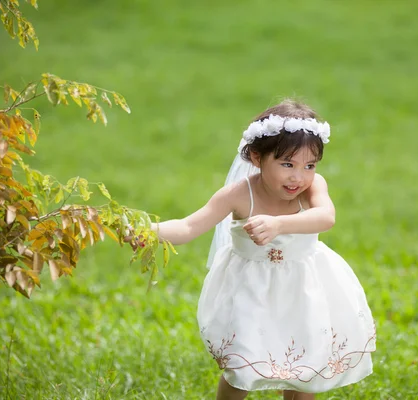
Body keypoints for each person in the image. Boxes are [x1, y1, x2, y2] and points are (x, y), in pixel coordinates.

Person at [151, 100, 376, 400]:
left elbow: (326, 217)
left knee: (304, 369)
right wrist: (146, 232)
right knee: (241, 366)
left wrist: (279, 225)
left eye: (309, 165)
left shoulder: (313, 187)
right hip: (251, 290)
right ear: (257, 157)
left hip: (304, 288)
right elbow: (189, 227)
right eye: (287, 164)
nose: (298, 176)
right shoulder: (239, 194)